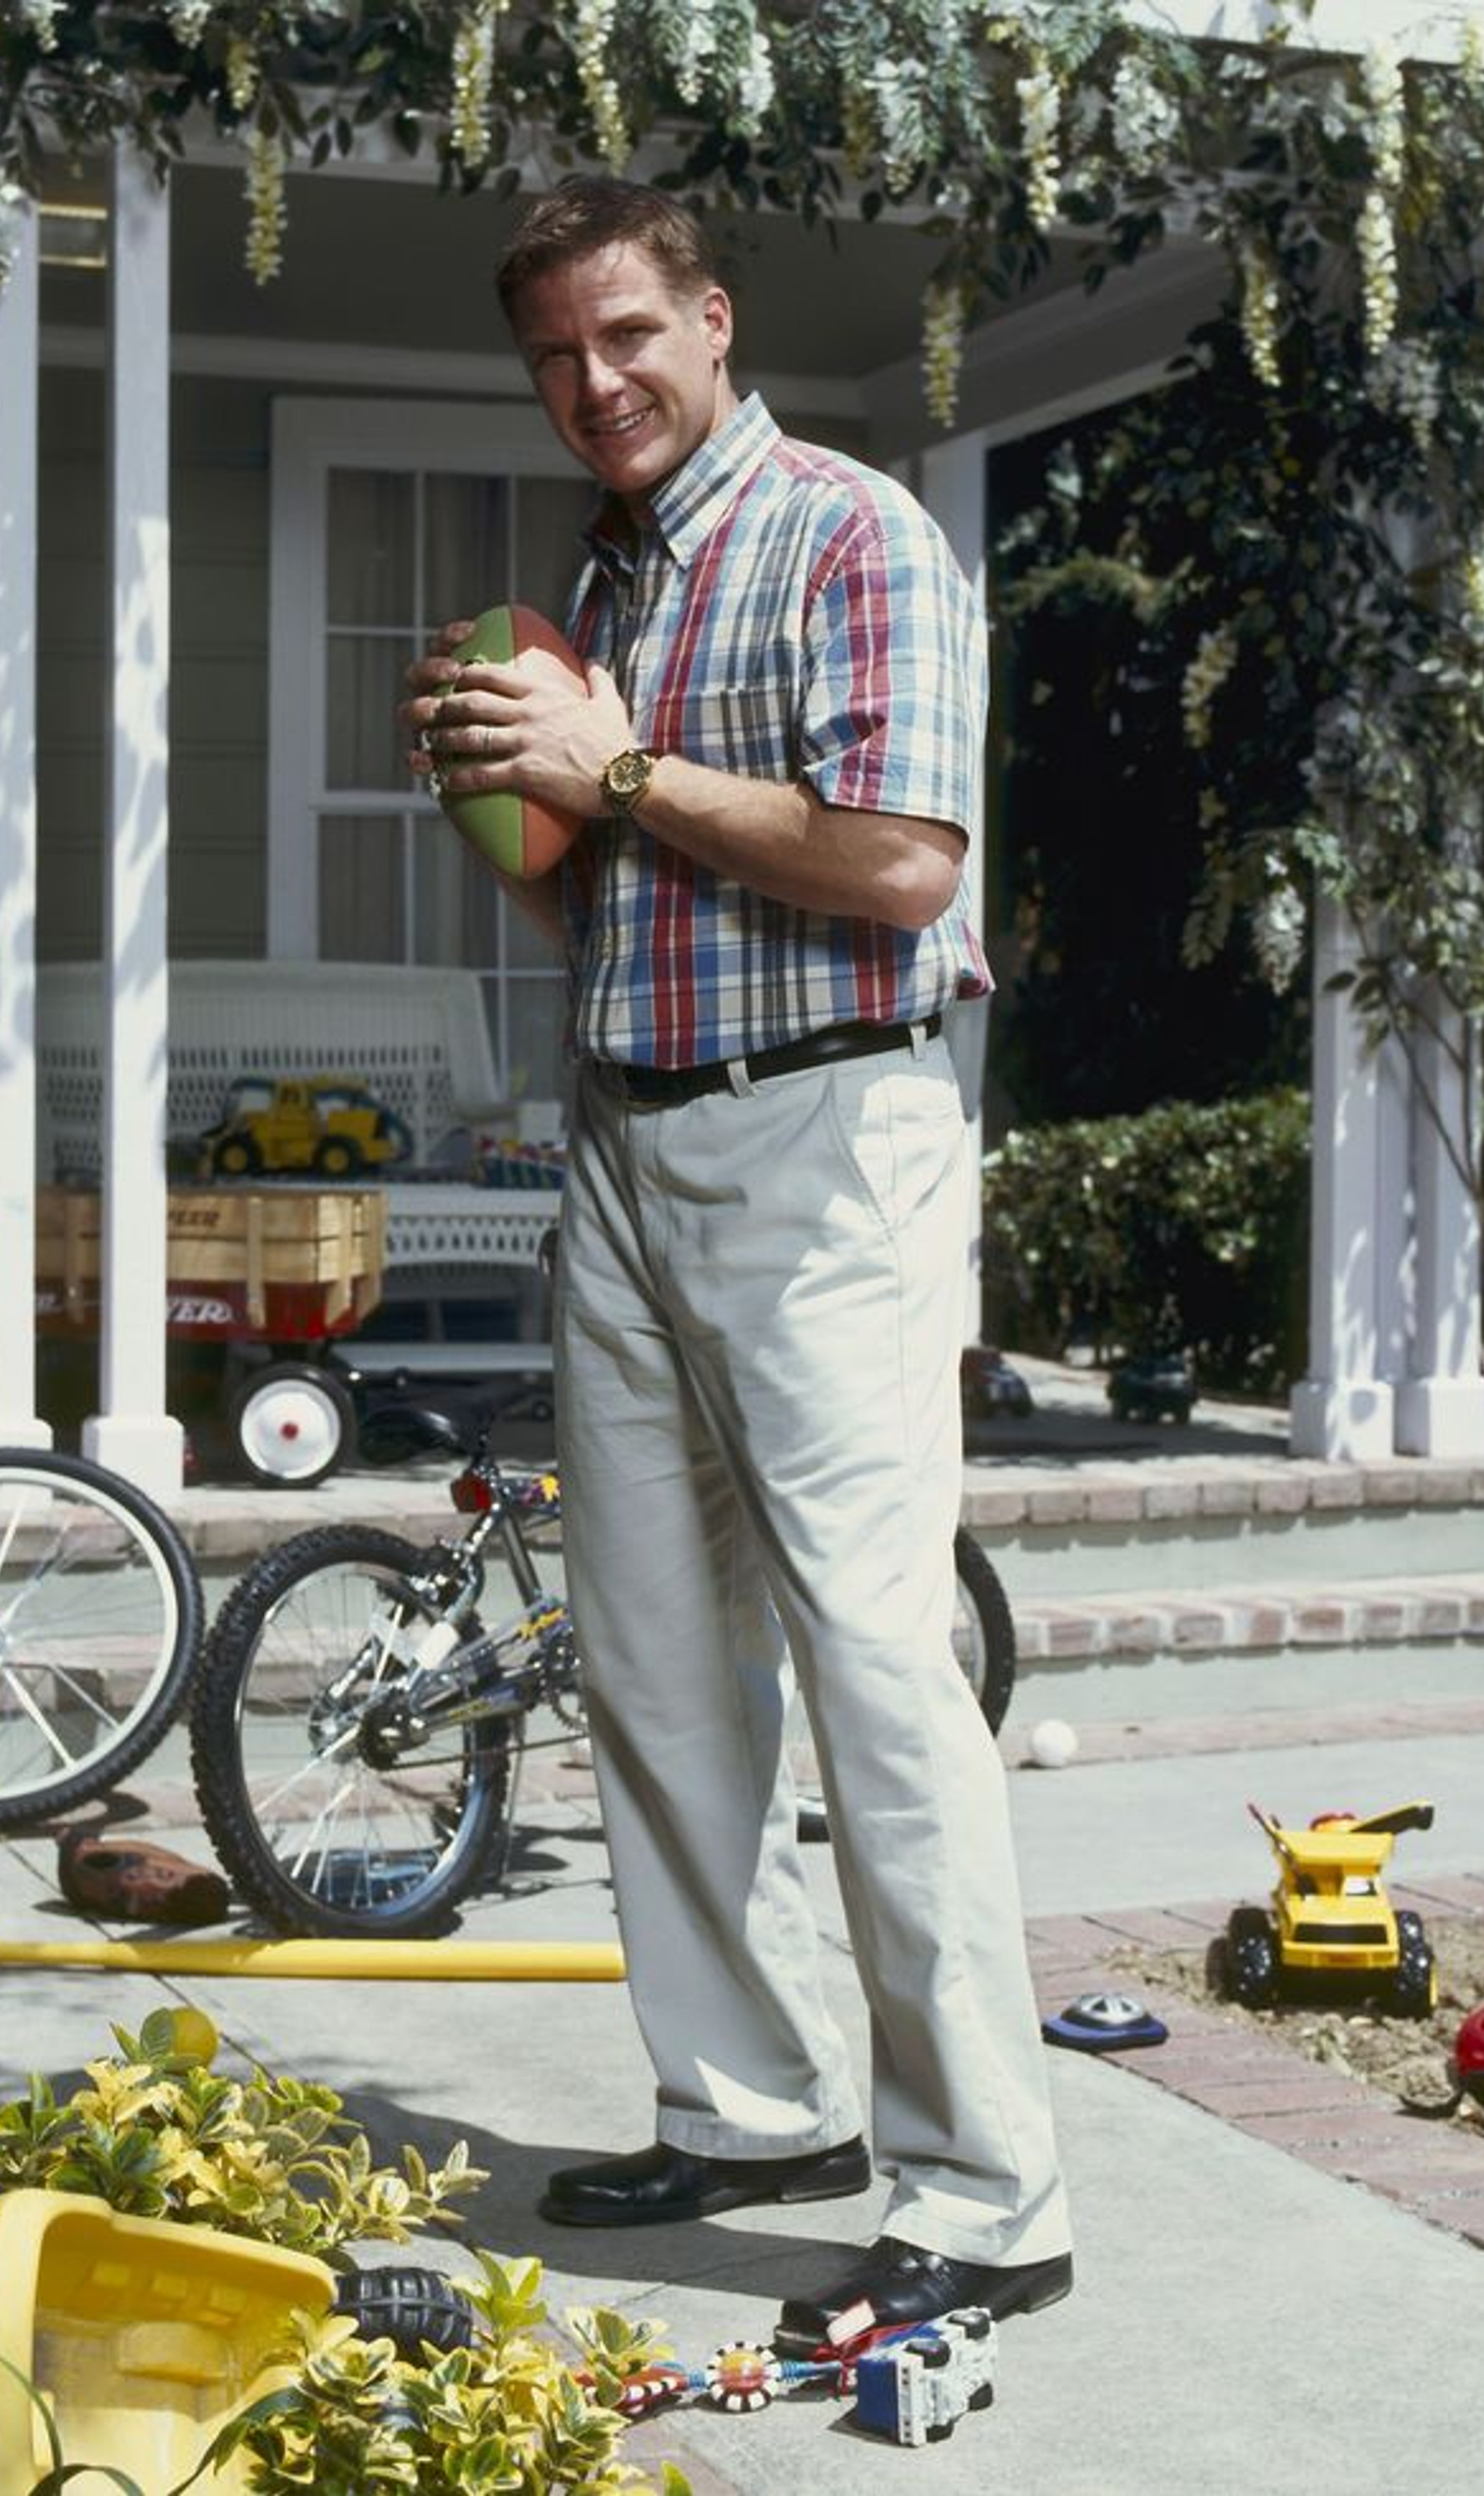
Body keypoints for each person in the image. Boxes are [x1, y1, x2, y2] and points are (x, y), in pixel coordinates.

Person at [399, 174, 1071, 2350]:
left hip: (828, 1136)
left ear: (708, 318)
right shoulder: (614, 579)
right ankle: (754, 2097)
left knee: (875, 1662)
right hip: (626, 1137)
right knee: (659, 1664)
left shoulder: (855, 535)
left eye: (628, 338)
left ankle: (986, 2186)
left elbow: (899, 866)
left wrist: (627, 761)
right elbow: (614, 904)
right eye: (556, 359)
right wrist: (522, 799)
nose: (594, 386)